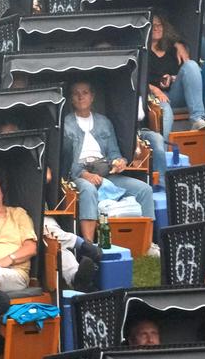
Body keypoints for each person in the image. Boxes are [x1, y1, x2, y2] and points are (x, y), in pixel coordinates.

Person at [62, 81, 155, 241]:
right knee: (88, 190)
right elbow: (65, 159)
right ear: (71, 99)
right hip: (79, 174)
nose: (80, 96)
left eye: (85, 93)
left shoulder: (104, 122)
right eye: (76, 93)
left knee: (145, 190)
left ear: (92, 97)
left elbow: (114, 153)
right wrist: (84, 175)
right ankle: (89, 245)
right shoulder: (65, 123)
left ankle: (147, 242)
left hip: (105, 172)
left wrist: (119, 162)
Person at [147, 14, 205, 136]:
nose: (156, 28)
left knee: (191, 65)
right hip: (154, 96)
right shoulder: (143, 53)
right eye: (153, 25)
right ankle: (164, 152)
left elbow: (183, 74)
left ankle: (198, 119)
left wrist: (172, 78)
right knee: (165, 111)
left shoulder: (172, 48)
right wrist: (155, 90)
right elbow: (137, 79)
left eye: (159, 24)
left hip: (174, 93)